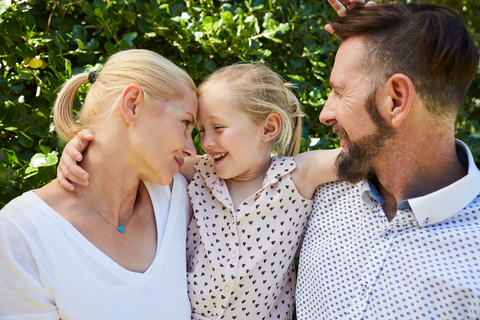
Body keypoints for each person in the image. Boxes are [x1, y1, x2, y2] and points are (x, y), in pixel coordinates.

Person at [56, 62, 342, 319]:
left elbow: (367, 154)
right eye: (201, 130)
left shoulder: (298, 174)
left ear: (268, 128)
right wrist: (82, 151)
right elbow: (126, 156)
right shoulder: (201, 173)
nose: (205, 142)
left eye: (218, 127)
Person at [296, 2, 480, 320]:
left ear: (396, 99)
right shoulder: (316, 191)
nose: (325, 114)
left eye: (339, 92)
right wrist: (381, 36)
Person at [0, 49, 198, 319]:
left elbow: (254, 165)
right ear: (132, 105)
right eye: (185, 124)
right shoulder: (22, 233)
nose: (191, 148)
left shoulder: (179, 195)